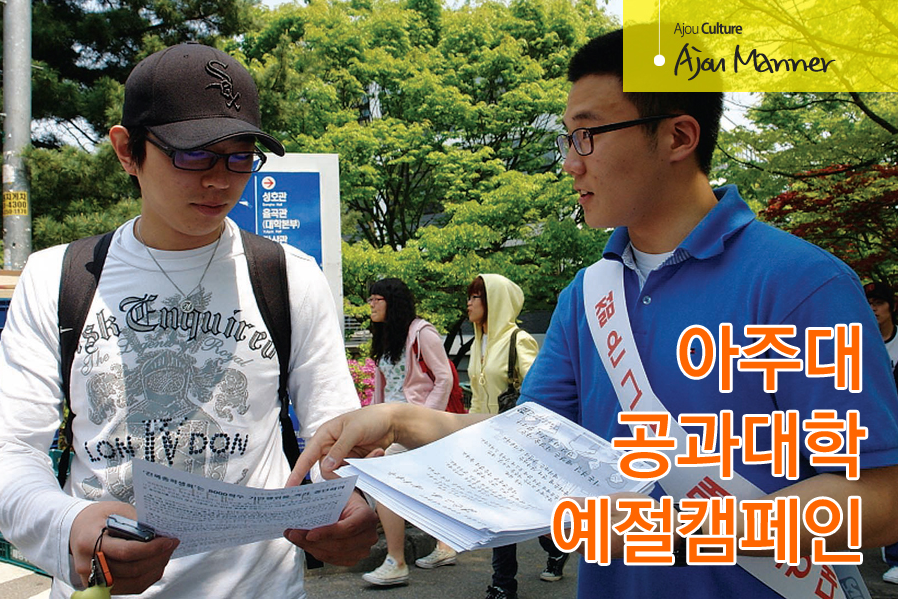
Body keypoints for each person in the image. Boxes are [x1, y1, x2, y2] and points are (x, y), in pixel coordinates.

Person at [289, 28, 898, 599]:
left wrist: (675, 524)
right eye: (567, 139)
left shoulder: (801, 284)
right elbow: (527, 442)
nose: (570, 163)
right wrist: (397, 421)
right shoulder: (589, 294)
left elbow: (879, 495)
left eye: (588, 135)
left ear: (678, 137)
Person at [0, 42, 377, 598]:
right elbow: (6, 450)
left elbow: (332, 436)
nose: (220, 181)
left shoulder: (289, 276)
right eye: (193, 155)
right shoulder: (58, 277)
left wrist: (353, 500)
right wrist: (69, 525)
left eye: (240, 157)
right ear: (127, 151)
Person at [465, 274, 566, 599]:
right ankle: (504, 583)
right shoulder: (479, 342)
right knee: (501, 512)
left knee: (519, 511)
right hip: (487, 440)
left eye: (476, 297)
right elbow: (478, 396)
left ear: (494, 301)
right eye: (469, 296)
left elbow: (539, 392)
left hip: (516, 442)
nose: (469, 303)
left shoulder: (517, 340)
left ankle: (548, 551)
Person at [361, 277, 459, 586]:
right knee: (422, 483)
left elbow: (444, 377)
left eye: (376, 299)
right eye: (370, 299)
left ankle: (396, 560)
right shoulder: (386, 336)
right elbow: (382, 389)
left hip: (415, 424)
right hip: (390, 425)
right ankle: (445, 544)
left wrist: (424, 420)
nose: (370, 305)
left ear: (393, 302)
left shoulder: (422, 333)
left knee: (384, 476)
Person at [865, 280, 898, 584]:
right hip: (877, 427)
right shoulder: (859, 340)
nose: (873, 309)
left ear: (892, 307)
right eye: (869, 303)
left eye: (879, 303)